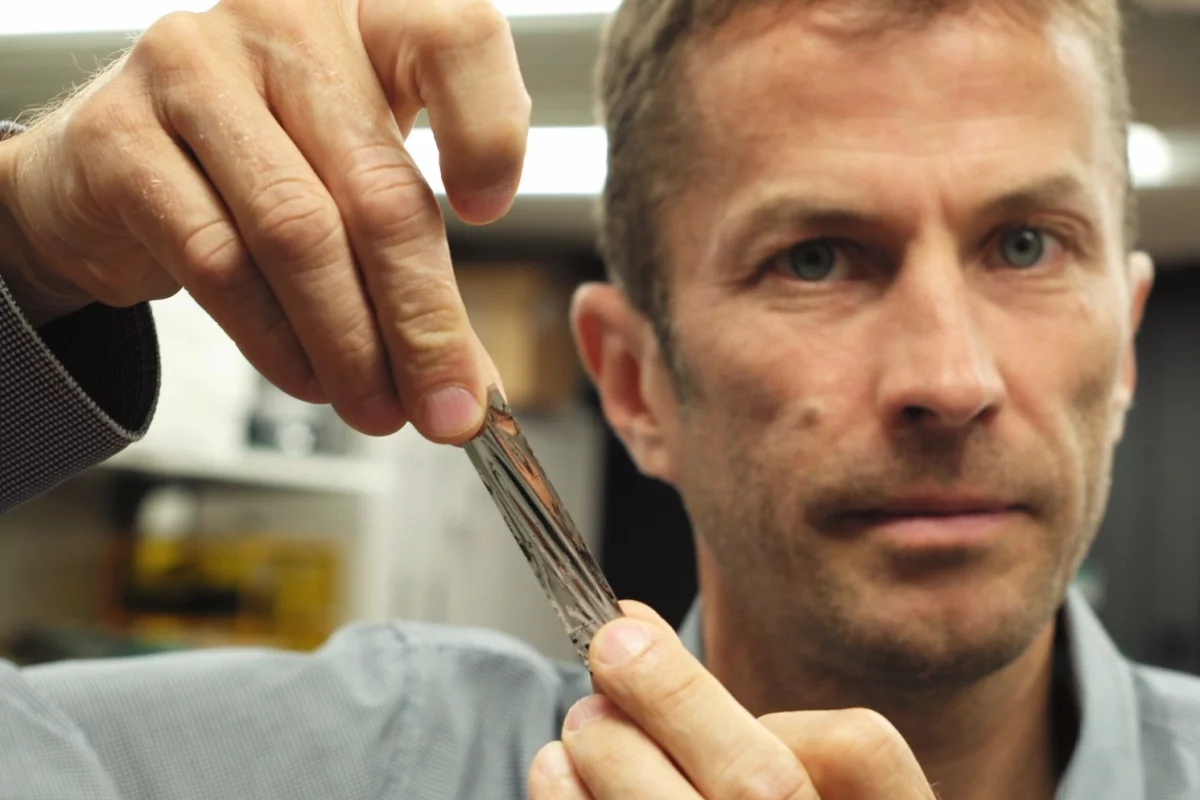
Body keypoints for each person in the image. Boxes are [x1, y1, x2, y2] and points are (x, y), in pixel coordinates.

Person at [0, 0, 1195, 797]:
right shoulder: (368, 760)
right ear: (633, 383)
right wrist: (26, 240)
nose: (950, 379)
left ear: (1128, 339)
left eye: (1028, 245)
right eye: (816, 257)